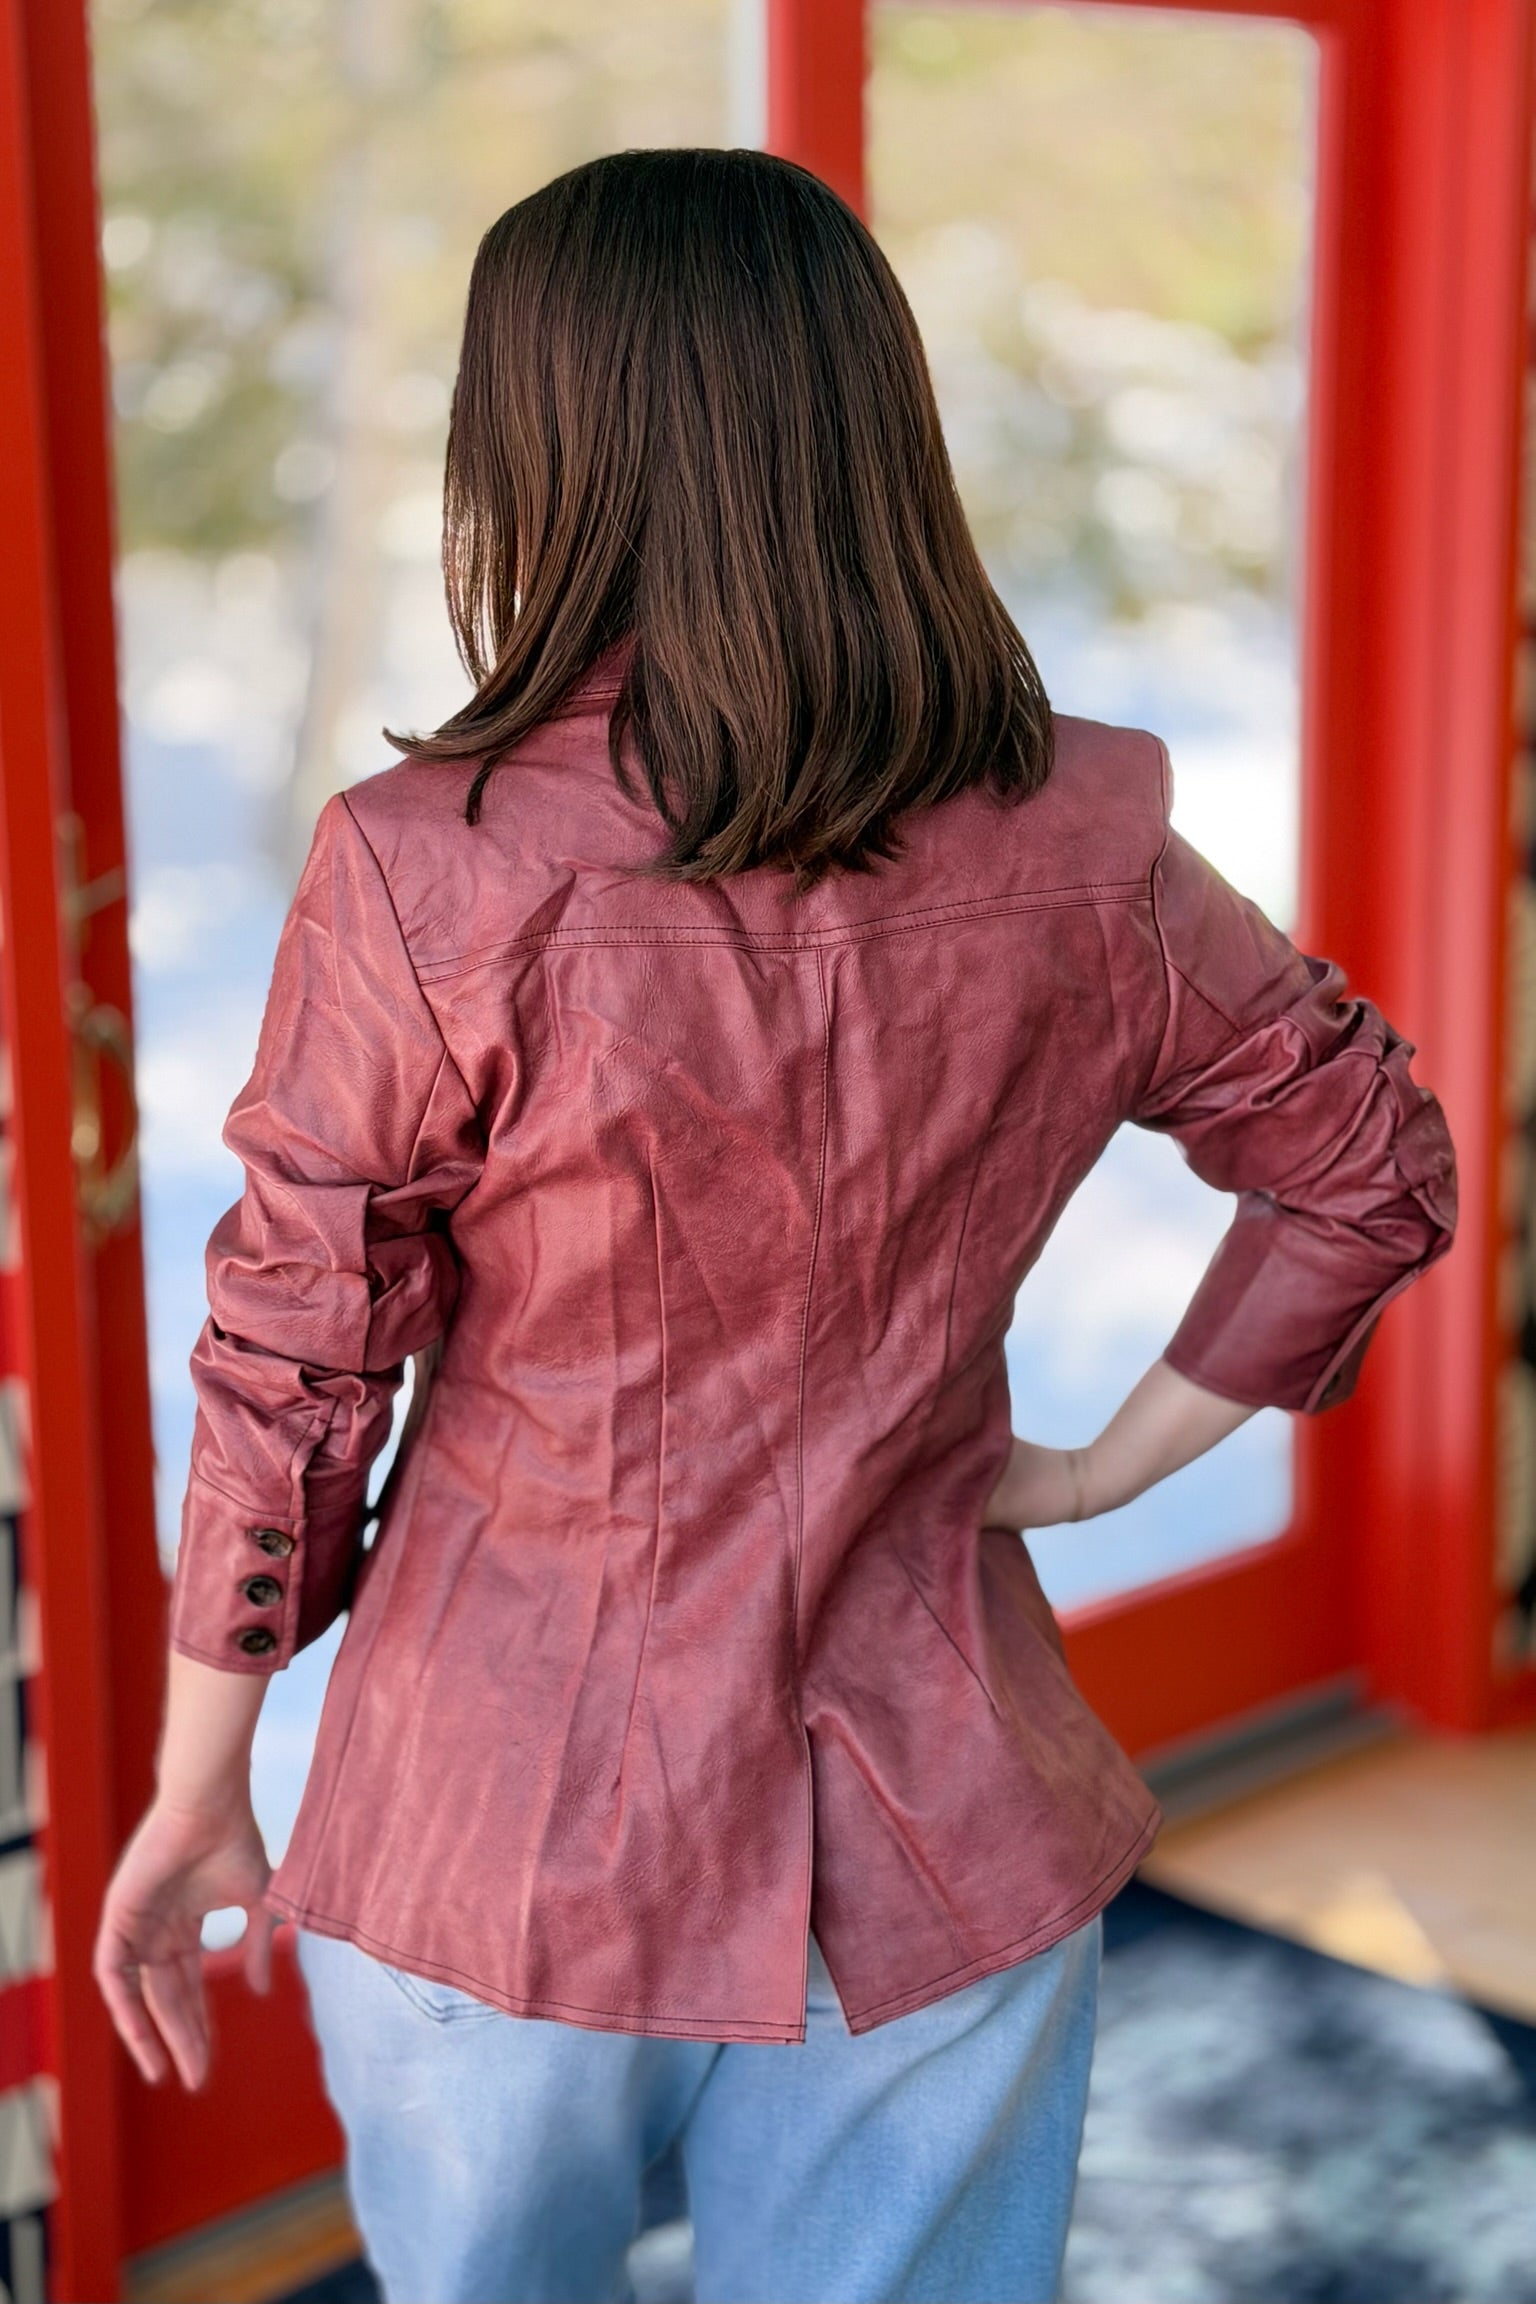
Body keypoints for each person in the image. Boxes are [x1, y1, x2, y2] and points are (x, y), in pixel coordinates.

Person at [93, 149, 1457, 2304]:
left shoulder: (425, 869)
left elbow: (296, 1372)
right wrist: (1093, 1472)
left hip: (498, 1830)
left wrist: (197, 1784)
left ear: (525, 442)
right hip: (941, 1807)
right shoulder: (1083, 833)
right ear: (866, 427)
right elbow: (1369, 1157)